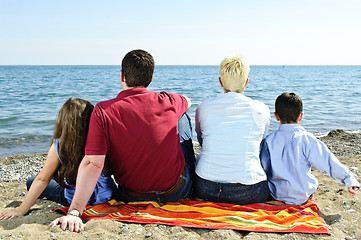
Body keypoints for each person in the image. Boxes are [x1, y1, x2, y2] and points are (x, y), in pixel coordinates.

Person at [51, 49, 195, 232]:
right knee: (182, 117)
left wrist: (75, 211)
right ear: (151, 78)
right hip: (176, 191)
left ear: (122, 75)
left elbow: (93, 164)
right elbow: (188, 101)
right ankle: (196, 182)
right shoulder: (168, 100)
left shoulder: (103, 111)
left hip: (132, 195)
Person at [0, 98, 117, 221]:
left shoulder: (60, 146)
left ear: (64, 121)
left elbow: (42, 180)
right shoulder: (102, 142)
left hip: (72, 200)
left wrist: (21, 209)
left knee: (31, 181)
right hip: (107, 196)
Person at [194, 55, 270, 205]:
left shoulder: (204, 107)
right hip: (248, 191)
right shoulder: (261, 109)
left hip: (205, 187)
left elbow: (201, 139)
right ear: (246, 82)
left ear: (220, 82)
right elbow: (260, 142)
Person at [260, 92, 360, 205]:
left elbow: (264, 168)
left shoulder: (269, 140)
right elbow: (328, 162)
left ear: (276, 116)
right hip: (302, 196)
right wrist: (349, 179)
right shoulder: (307, 139)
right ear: (301, 116)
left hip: (277, 195)